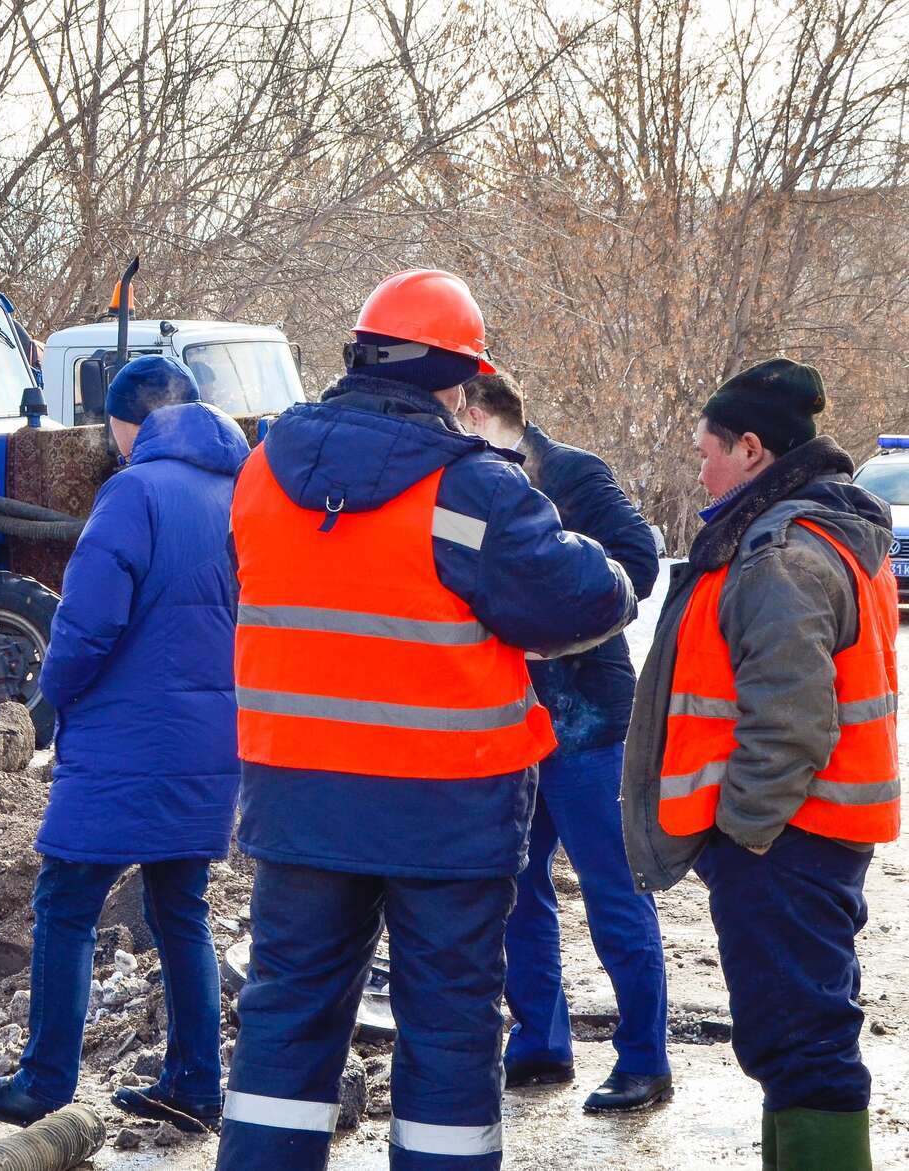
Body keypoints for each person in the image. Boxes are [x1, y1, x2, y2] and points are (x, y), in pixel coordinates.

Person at [220, 270, 635, 1171]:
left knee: (286, 1017)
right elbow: (586, 597)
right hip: (445, 810)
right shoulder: (469, 489)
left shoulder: (262, 471)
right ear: (455, 380)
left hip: (298, 801)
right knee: (447, 1023)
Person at [0, 355, 245, 1132]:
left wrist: (58, 693)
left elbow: (86, 626)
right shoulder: (238, 494)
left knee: (67, 900)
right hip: (211, 738)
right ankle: (196, 1084)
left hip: (126, 739)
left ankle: (43, 1082)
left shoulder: (134, 492)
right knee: (181, 906)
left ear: (127, 422)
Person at [622, 358, 897, 1168]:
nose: (700, 467)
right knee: (792, 1039)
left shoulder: (780, 551)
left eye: (708, 449)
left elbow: (791, 723)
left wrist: (742, 832)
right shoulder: (816, 532)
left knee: (806, 1047)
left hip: (786, 842)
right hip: (809, 836)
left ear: (750, 449)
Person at [457, 373, 671, 1111]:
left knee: (614, 890)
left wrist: (568, 632)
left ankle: (645, 1058)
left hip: (589, 723)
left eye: (455, 415)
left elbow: (639, 562)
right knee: (518, 890)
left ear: (479, 413)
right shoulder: (470, 485)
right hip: (513, 723)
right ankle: (540, 1044)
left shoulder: (573, 471)